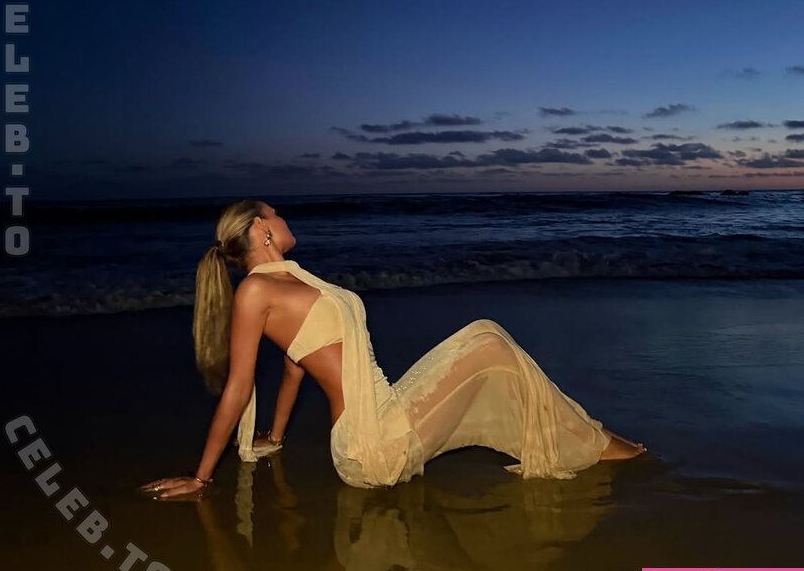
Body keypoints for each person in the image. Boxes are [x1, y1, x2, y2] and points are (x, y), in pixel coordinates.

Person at [142, 199, 646, 500]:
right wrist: (201, 477)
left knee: (490, 346)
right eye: (277, 213)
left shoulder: (293, 280)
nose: (285, 218)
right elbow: (238, 385)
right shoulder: (256, 289)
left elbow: (296, 366)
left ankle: (588, 436)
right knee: (488, 340)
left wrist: (274, 435)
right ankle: (592, 440)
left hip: (383, 415)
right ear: (260, 227)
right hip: (371, 444)